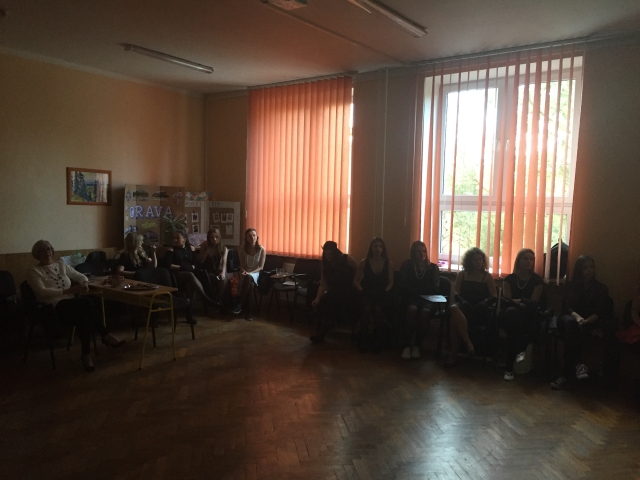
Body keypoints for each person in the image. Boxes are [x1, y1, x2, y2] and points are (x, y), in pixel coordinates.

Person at [26, 240, 125, 372]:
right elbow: (42, 292)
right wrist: (67, 291)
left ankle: (86, 354)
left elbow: (80, 276)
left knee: (83, 316)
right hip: (51, 308)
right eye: (43, 251)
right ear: (37, 254)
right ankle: (105, 334)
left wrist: (84, 284)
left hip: (71, 305)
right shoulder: (34, 271)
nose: (47, 252)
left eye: (49, 249)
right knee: (86, 303)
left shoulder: (61, 265)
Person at [550, 255, 614, 390]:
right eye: (585, 268)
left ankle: (566, 374)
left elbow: (601, 310)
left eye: (592, 267)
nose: (589, 271)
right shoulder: (571, 286)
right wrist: (578, 318)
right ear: (579, 270)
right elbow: (567, 308)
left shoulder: (600, 288)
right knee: (571, 325)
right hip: (571, 318)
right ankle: (578, 364)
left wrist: (587, 321)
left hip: (590, 321)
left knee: (574, 334)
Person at [446, 247, 497, 366]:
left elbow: (494, 295)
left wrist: (484, 303)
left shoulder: (487, 276)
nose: (478, 262)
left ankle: (454, 356)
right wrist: (463, 302)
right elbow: (456, 293)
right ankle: (469, 344)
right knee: (454, 308)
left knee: (454, 321)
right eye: (475, 259)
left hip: (480, 310)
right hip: (464, 306)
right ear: (469, 261)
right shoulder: (462, 274)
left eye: (480, 259)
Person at [499, 248, 544, 381]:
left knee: (514, 324)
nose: (529, 261)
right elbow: (507, 300)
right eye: (525, 258)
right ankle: (519, 352)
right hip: (510, 314)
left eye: (531, 259)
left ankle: (509, 366)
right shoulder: (509, 279)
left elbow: (533, 302)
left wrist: (517, 301)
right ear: (519, 260)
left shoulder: (537, 280)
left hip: (529, 315)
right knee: (512, 314)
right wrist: (523, 301)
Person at [164, 230, 218, 324]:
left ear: (184, 239)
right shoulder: (171, 250)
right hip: (176, 276)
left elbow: (196, 262)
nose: (175, 240)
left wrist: (192, 266)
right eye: (174, 238)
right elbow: (168, 265)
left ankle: (189, 314)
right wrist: (182, 267)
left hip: (189, 276)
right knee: (190, 275)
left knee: (190, 285)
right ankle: (206, 298)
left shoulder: (190, 248)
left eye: (178, 238)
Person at [309, 241, 358, 344]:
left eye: (330, 254)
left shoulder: (347, 259)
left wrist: (356, 284)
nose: (328, 256)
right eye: (326, 254)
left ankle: (323, 332)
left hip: (349, 292)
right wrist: (317, 299)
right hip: (335, 292)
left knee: (333, 302)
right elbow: (323, 285)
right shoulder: (325, 266)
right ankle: (324, 329)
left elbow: (360, 272)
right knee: (324, 302)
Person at [398, 241, 440, 360]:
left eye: (424, 251)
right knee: (412, 309)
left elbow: (435, 288)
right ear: (413, 253)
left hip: (428, 299)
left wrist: (419, 290)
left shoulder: (433, 268)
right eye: (418, 251)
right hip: (411, 297)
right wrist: (417, 291)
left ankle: (417, 345)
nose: (422, 254)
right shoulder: (407, 265)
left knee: (425, 312)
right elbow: (402, 285)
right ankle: (407, 345)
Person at [353, 237, 394, 352]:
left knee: (378, 310)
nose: (378, 249)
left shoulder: (388, 263)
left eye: (380, 246)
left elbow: (391, 282)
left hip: (382, 294)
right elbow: (355, 280)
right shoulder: (364, 262)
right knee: (366, 308)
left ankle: (377, 338)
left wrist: (386, 291)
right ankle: (364, 336)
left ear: (383, 249)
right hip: (366, 293)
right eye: (375, 246)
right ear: (371, 248)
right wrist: (361, 290)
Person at [232, 228, 266, 321]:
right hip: (246, 274)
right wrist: (244, 271)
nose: (252, 237)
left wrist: (250, 273)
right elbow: (242, 266)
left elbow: (261, 267)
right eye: (250, 236)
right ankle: (249, 313)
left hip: (256, 273)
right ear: (246, 238)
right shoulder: (243, 250)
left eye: (254, 235)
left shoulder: (262, 249)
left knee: (249, 278)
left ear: (257, 237)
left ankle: (240, 303)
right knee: (250, 285)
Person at [198, 227, 228, 304]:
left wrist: (223, 272)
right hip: (206, 271)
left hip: (216, 270)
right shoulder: (204, 246)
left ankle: (219, 301)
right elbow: (201, 261)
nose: (214, 239)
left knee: (223, 279)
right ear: (209, 238)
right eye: (212, 237)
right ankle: (211, 301)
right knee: (212, 277)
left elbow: (224, 262)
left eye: (216, 237)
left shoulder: (223, 248)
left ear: (219, 237)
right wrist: (207, 250)